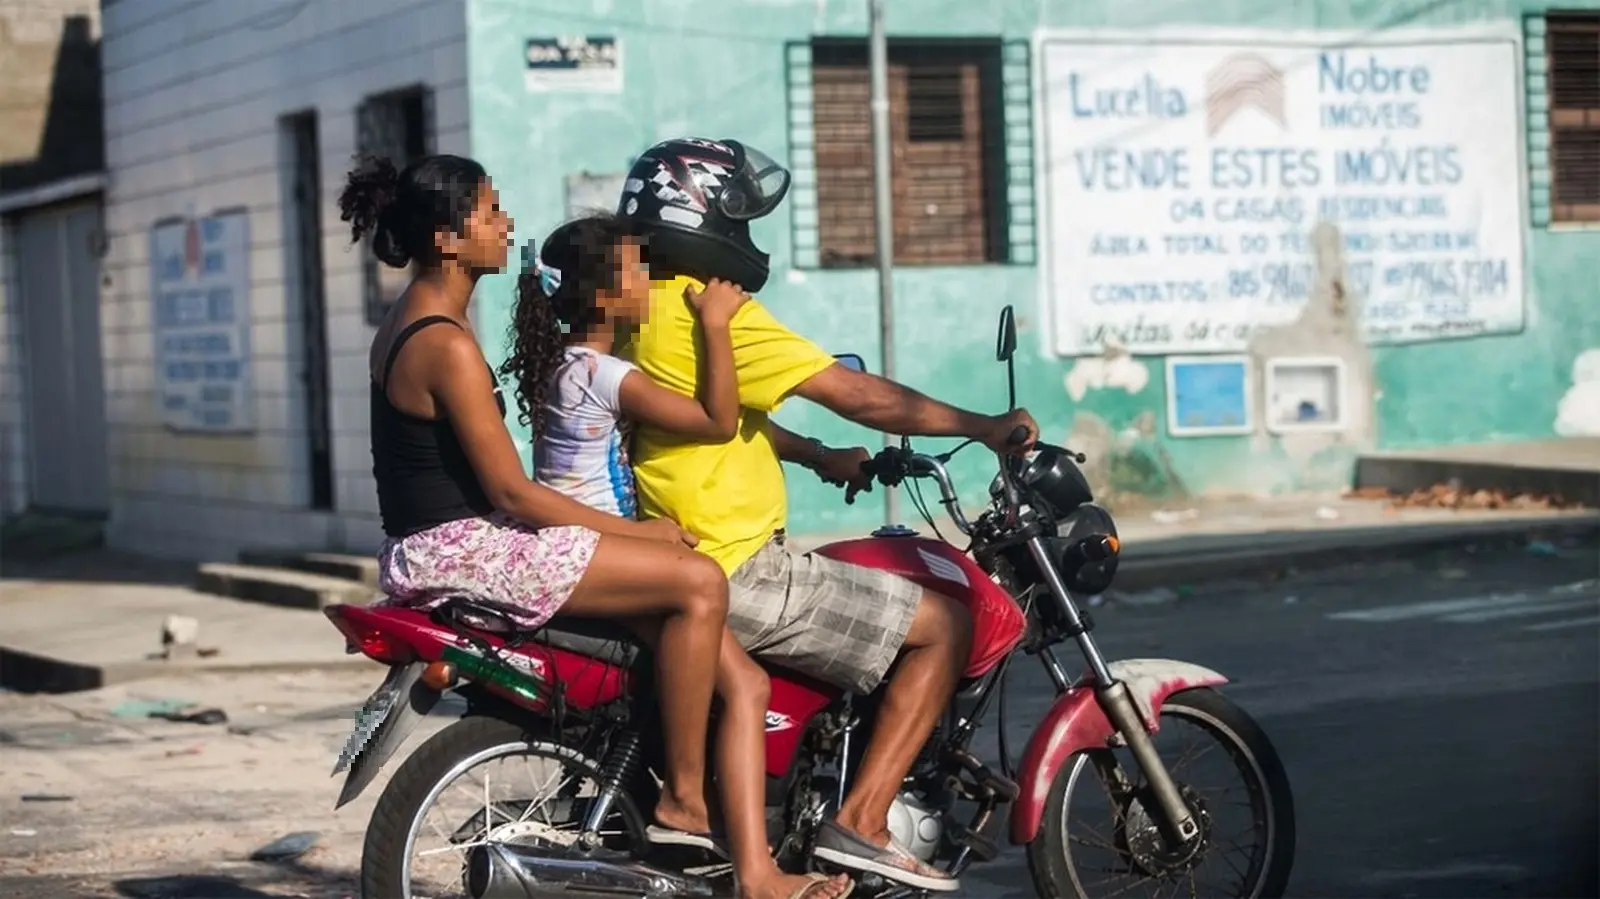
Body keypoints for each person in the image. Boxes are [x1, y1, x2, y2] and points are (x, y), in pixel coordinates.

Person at [614, 138, 1040, 893]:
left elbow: (718, 415)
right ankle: (864, 819)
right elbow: (859, 395)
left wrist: (818, 456)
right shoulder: (716, 316)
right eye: (735, 215)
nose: (743, 235)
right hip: (740, 563)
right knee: (944, 625)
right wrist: (983, 424)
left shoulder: (637, 307)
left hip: (686, 553)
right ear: (700, 213)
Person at [338, 153, 733, 860]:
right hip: (463, 544)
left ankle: (634, 778)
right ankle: (684, 797)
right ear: (449, 239)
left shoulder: (412, 319)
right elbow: (512, 491)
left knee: (654, 610)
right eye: (489, 211)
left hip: (435, 542)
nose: (506, 223)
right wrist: (641, 533)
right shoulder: (445, 344)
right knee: (701, 581)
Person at [499, 213, 853, 899]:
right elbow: (718, 420)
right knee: (703, 590)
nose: (652, 281)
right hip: (599, 555)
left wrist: (811, 454)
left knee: (748, 686)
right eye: (637, 268)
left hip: (592, 548)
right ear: (606, 295)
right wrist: (716, 324)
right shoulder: (602, 373)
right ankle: (687, 796)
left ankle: (752, 869)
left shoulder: (569, 365)